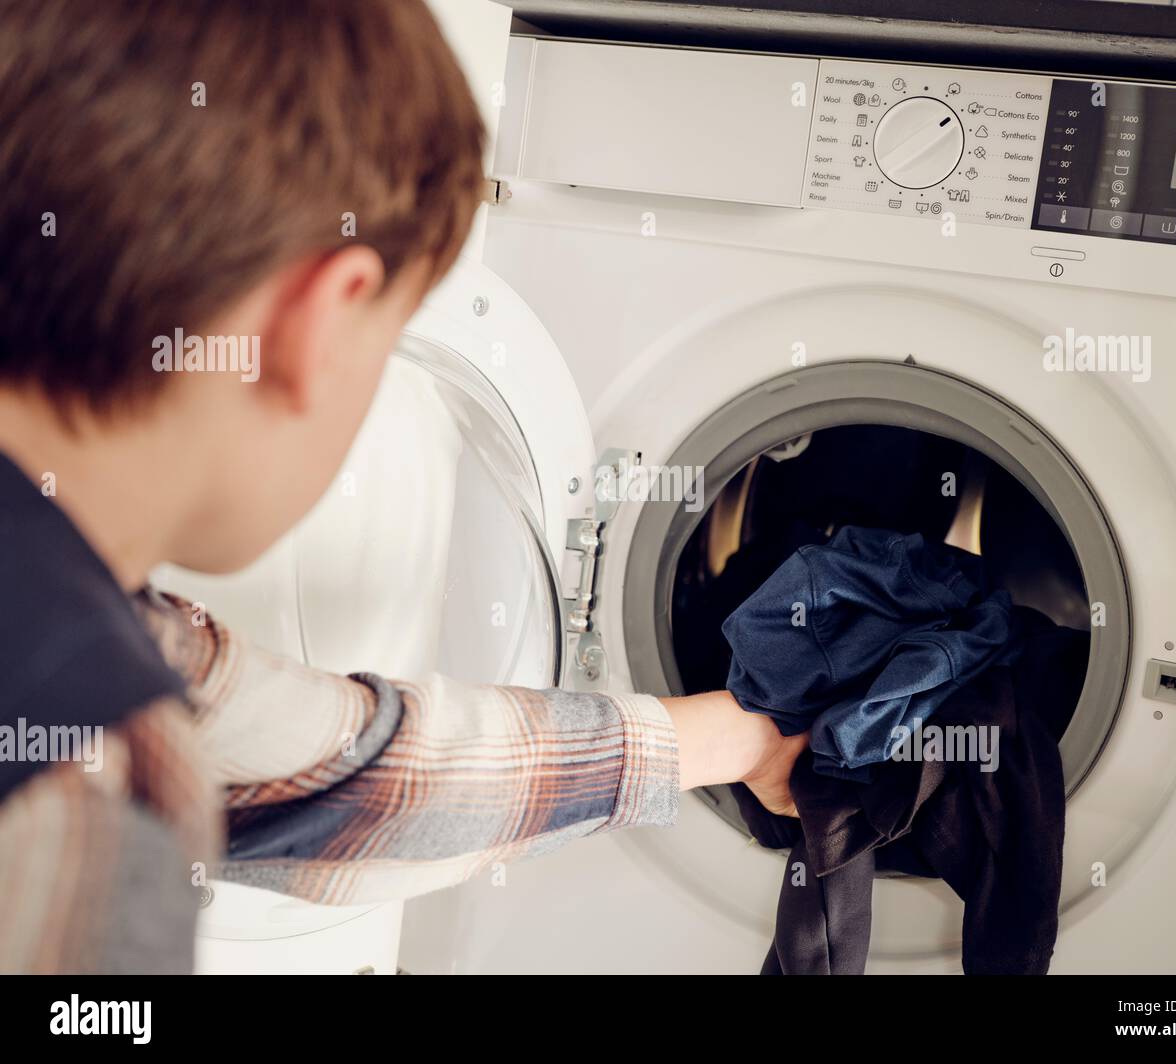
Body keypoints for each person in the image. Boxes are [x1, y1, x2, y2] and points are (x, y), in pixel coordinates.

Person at [0, 0, 804, 973]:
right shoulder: (81, 769)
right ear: (321, 323)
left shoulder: (99, 648)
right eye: (392, 339)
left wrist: (742, 738)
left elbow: (340, 775)